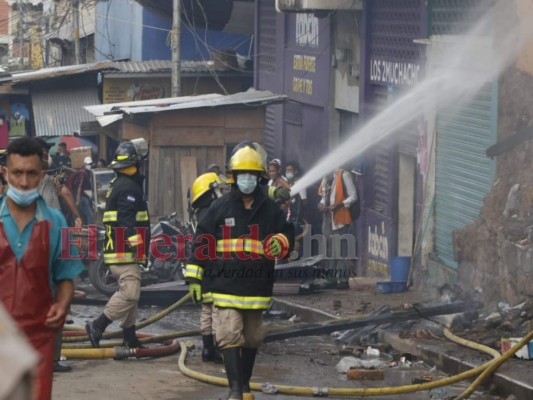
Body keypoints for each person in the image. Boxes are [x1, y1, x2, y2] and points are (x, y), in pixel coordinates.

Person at [186, 144, 294, 400]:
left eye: (251, 174)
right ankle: (235, 389)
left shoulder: (270, 209)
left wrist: (282, 240)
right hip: (224, 285)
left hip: (257, 287)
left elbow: (289, 232)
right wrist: (194, 277)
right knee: (228, 334)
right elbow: (202, 241)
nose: (247, 179)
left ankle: (244, 386)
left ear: (259, 178)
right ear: (234, 177)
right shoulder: (220, 207)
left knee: (252, 337)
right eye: (242, 174)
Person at [0, 137, 84, 400]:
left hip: (39, 337)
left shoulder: (57, 222)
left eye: (31, 174)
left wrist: (63, 303)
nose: (24, 182)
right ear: (5, 173)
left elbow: (67, 275)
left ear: (42, 175)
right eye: (17, 173)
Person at [85, 138, 150, 349]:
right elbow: (126, 222)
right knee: (131, 293)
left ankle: (129, 336)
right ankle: (97, 325)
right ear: (135, 164)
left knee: (130, 295)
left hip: (118, 251)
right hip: (124, 252)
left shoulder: (119, 184)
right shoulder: (129, 188)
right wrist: (138, 248)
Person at [33, 137, 82, 374]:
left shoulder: (53, 177)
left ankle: (50, 360)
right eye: (41, 153)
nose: (45, 157)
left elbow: (65, 193)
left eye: (45, 153)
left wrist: (77, 216)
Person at [187, 172, 224, 364]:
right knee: (217, 309)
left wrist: (194, 278)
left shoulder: (201, 213)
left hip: (205, 269)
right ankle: (218, 349)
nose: (221, 192)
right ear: (210, 192)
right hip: (215, 267)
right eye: (218, 189)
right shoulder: (213, 212)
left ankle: (208, 349)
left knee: (207, 309)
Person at [318, 168, 357, 289]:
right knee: (329, 249)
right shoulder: (326, 177)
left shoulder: (344, 175)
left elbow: (353, 196)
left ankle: (343, 280)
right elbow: (323, 197)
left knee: (342, 250)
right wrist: (321, 205)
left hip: (341, 219)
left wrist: (339, 205)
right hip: (328, 218)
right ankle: (331, 279)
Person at [285, 161, 308, 259]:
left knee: (295, 242)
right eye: (286, 170)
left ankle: (296, 262)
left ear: (296, 171)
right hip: (289, 219)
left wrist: (294, 200)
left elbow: (305, 202)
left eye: (289, 170)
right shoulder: (289, 184)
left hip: (296, 220)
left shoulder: (300, 184)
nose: (287, 172)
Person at [72, 156, 93, 225]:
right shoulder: (83, 173)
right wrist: (78, 199)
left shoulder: (87, 172)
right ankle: (90, 231)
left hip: (84, 196)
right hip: (82, 197)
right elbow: (79, 186)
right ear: (84, 164)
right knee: (90, 215)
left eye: (90, 164)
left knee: (82, 215)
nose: (89, 165)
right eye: (88, 164)